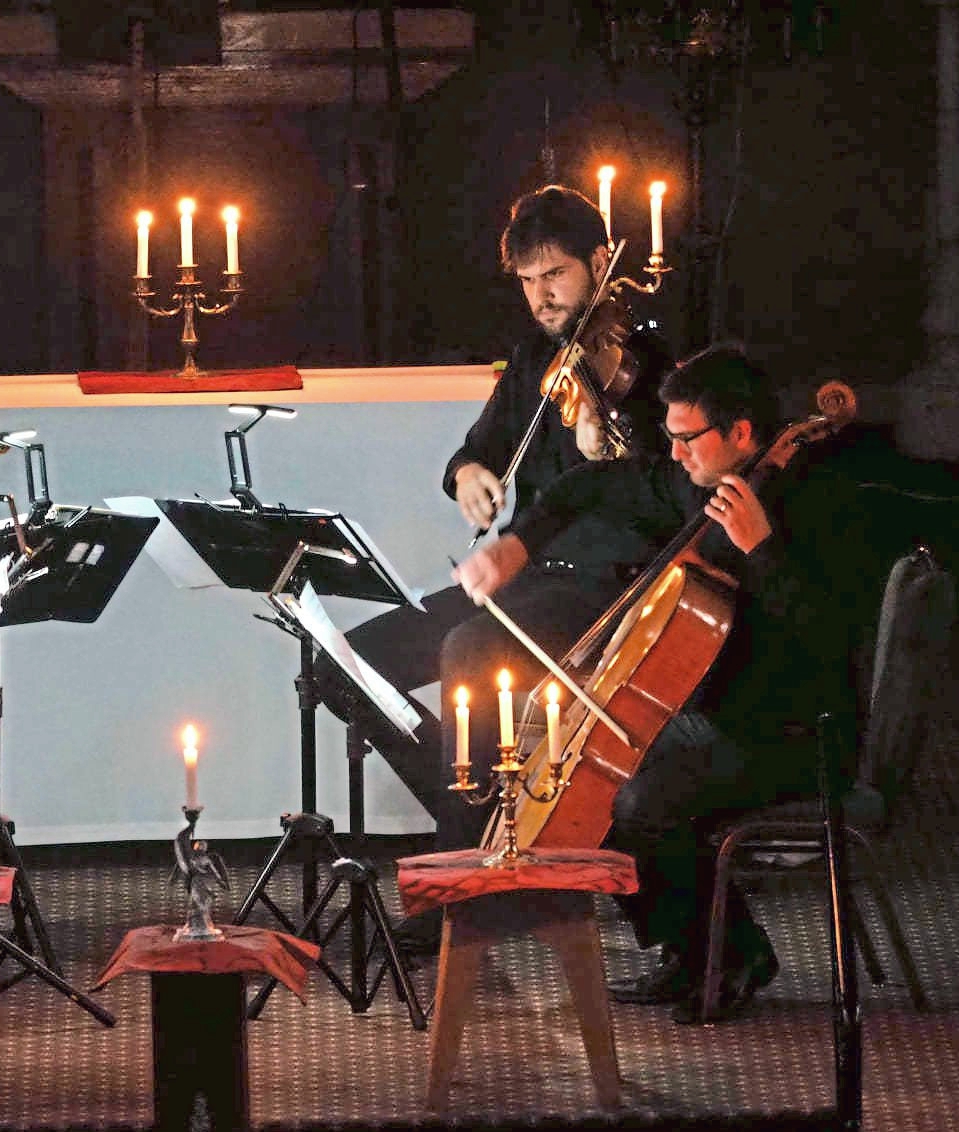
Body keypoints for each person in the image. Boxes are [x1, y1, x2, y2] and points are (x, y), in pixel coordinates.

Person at [454, 345, 891, 1022]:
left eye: (688, 438)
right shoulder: (696, 484)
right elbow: (586, 485)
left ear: (741, 434)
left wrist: (762, 548)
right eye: (671, 438)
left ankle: (737, 954)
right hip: (727, 717)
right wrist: (515, 547)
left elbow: (830, 636)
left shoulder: (822, 501)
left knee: (639, 800)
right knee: (591, 777)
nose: (677, 453)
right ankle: (688, 950)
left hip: (801, 733)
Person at [315, 185, 672, 851]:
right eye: (529, 281)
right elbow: (478, 450)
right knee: (342, 666)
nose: (543, 298)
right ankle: (477, 820)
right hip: (526, 579)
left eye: (557, 275)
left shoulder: (648, 357)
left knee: (467, 652)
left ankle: (462, 865)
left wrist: (612, 438)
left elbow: (662, 477)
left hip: (604, 586)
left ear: (600, 261)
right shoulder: (537, 356)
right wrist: (467, 476)